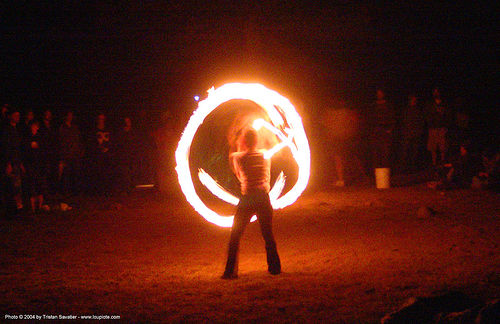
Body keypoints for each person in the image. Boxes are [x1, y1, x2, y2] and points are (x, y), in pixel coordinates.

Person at [222, 129, 281, 279]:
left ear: (243, 142)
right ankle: (275, 268)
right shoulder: (265, 155)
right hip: (263, 198)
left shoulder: (237, 158)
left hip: (248, 199)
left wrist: (237, 142)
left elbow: (237, 173)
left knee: (235, 235)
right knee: (268, 235)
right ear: (256, 141)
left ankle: (230, 272)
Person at [1, 109, 25, 214]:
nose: (17, 117)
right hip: (11, 162)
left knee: (17, 186)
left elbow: (17, 148)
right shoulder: (7, 130)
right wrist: (8, 163)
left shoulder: (16, 129)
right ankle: (12, 209)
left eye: (18, 115)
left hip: (16, 161)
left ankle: (18, 208)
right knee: (12, 186)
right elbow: (7, 148)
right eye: (15, 115)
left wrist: (20, 163)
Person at [23, 120, 46, 213]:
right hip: (30, 165)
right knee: (31, 187)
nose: (34, 127)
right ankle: (32, 209)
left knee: (40, 187)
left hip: (39, 166)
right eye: (32, 126)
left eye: (35, 125)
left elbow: (43, 151)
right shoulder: (27, 138)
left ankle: (39, 208)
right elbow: (24, 151)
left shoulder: (40, 138)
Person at [58, 111, 83, 195]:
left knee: (76, 173)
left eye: (71, 115)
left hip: (75, 154)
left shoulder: (75, 127)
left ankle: (76, 191)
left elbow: (78, 140)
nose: (70, 117)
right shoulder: (62, 127)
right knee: (66, 173)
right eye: (68, 115)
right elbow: (61, 141)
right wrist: (63, 154)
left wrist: (79, 150)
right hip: (66, 154)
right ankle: (66, 191)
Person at [425, 88, 451, 167]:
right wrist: (430, 124)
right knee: (433, 147)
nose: (436, 93)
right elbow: (427, 115)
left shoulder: (445, 104)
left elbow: (448, 115)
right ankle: (434, 163)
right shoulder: (430, 104)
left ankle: (442, 162)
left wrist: (446, 126)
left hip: (442, 128)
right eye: (434, 92)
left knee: (442, 147)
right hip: (433, 128)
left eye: (437, 92)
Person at [401, 93, 425, 172]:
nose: (414, 101)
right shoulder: (406, 110)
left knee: (414, 151)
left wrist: (419, 131)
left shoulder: (418, 110)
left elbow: (421, 121)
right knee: (405, 151)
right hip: (407, 134)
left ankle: (413, 167)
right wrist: (405, 131)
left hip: (416, 134)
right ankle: (404, 167)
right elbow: (403, 121)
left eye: (415, 100)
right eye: (412, 99)